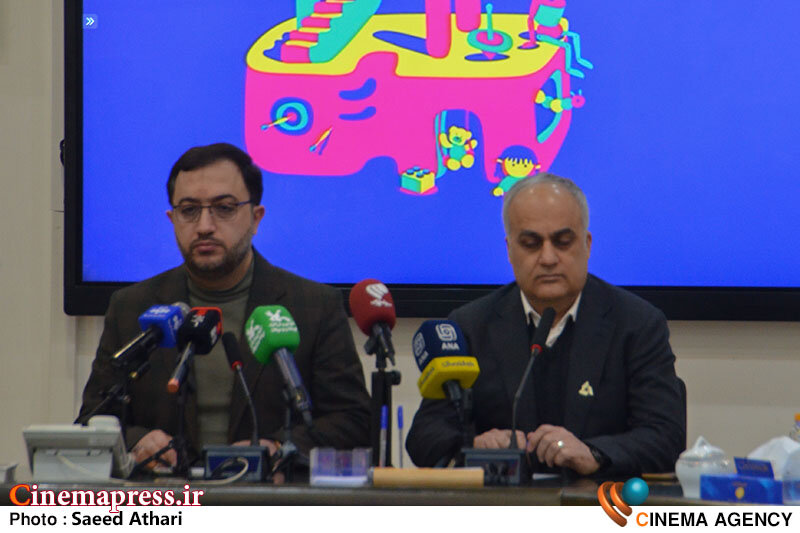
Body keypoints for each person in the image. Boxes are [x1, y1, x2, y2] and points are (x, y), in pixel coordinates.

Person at [78, 143, 371, 469]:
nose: (204, 225)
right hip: (168, 495)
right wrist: (137, 441)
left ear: (256, 218)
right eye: (189, 210)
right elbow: (92, 418)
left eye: (224, 208)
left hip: (268, 496)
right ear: (172, 219)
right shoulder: (131, 308)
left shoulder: (314, 307)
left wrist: (279, 448)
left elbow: (355, 422)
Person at [406, 173, 686, 477]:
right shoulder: (471, 325)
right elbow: (424, 436)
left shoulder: (637, 324)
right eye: (531, 244)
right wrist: (473, 446)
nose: (548, 258)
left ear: (587, 245)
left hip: (597, 500)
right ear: (509, 250)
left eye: (563, 242)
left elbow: (666, 437)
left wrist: (594, 453)